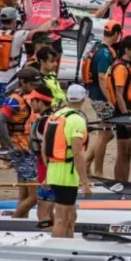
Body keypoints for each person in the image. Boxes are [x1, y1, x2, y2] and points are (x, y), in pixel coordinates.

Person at [39, 85, 91, 237]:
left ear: (67, 98)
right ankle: (57, 250)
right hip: (66, 175)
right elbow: (77, 154)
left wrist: (48, 174)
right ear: (83, 99)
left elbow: (44, 148)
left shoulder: (54, 116)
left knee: (71, 217)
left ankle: (67, 244)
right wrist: (85, 182)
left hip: (54, 172)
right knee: (61, 219)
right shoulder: (77, 120)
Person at [0, 67, 43, 216]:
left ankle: (20, 221)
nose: (35, 88)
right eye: (32, 85)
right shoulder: (14, 100)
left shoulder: (26, 97)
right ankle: (16, 219)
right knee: (35, 196)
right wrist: (11, 144)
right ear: (22, 82)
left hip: (28, 149)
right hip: (21, 152)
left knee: (24, 194)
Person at [81, 20, 122, 176]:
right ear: (116, 34)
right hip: (101, 97)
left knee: (107, 133)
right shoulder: (104, 53)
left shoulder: (96, 46)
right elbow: (102, 78)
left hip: (93, 93)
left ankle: (86, 161)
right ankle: (98, 171)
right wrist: (110, 100)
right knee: (104, 134)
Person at [103, 36, 131, 182]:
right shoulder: (120, 68)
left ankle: (125, 182)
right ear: (127, 50)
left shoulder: (127, 66)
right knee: (122, 152)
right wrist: (126, 118)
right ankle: (120, 183)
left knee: (128, 153)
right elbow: (119, 95)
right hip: (122, 113)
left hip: (128, 111)